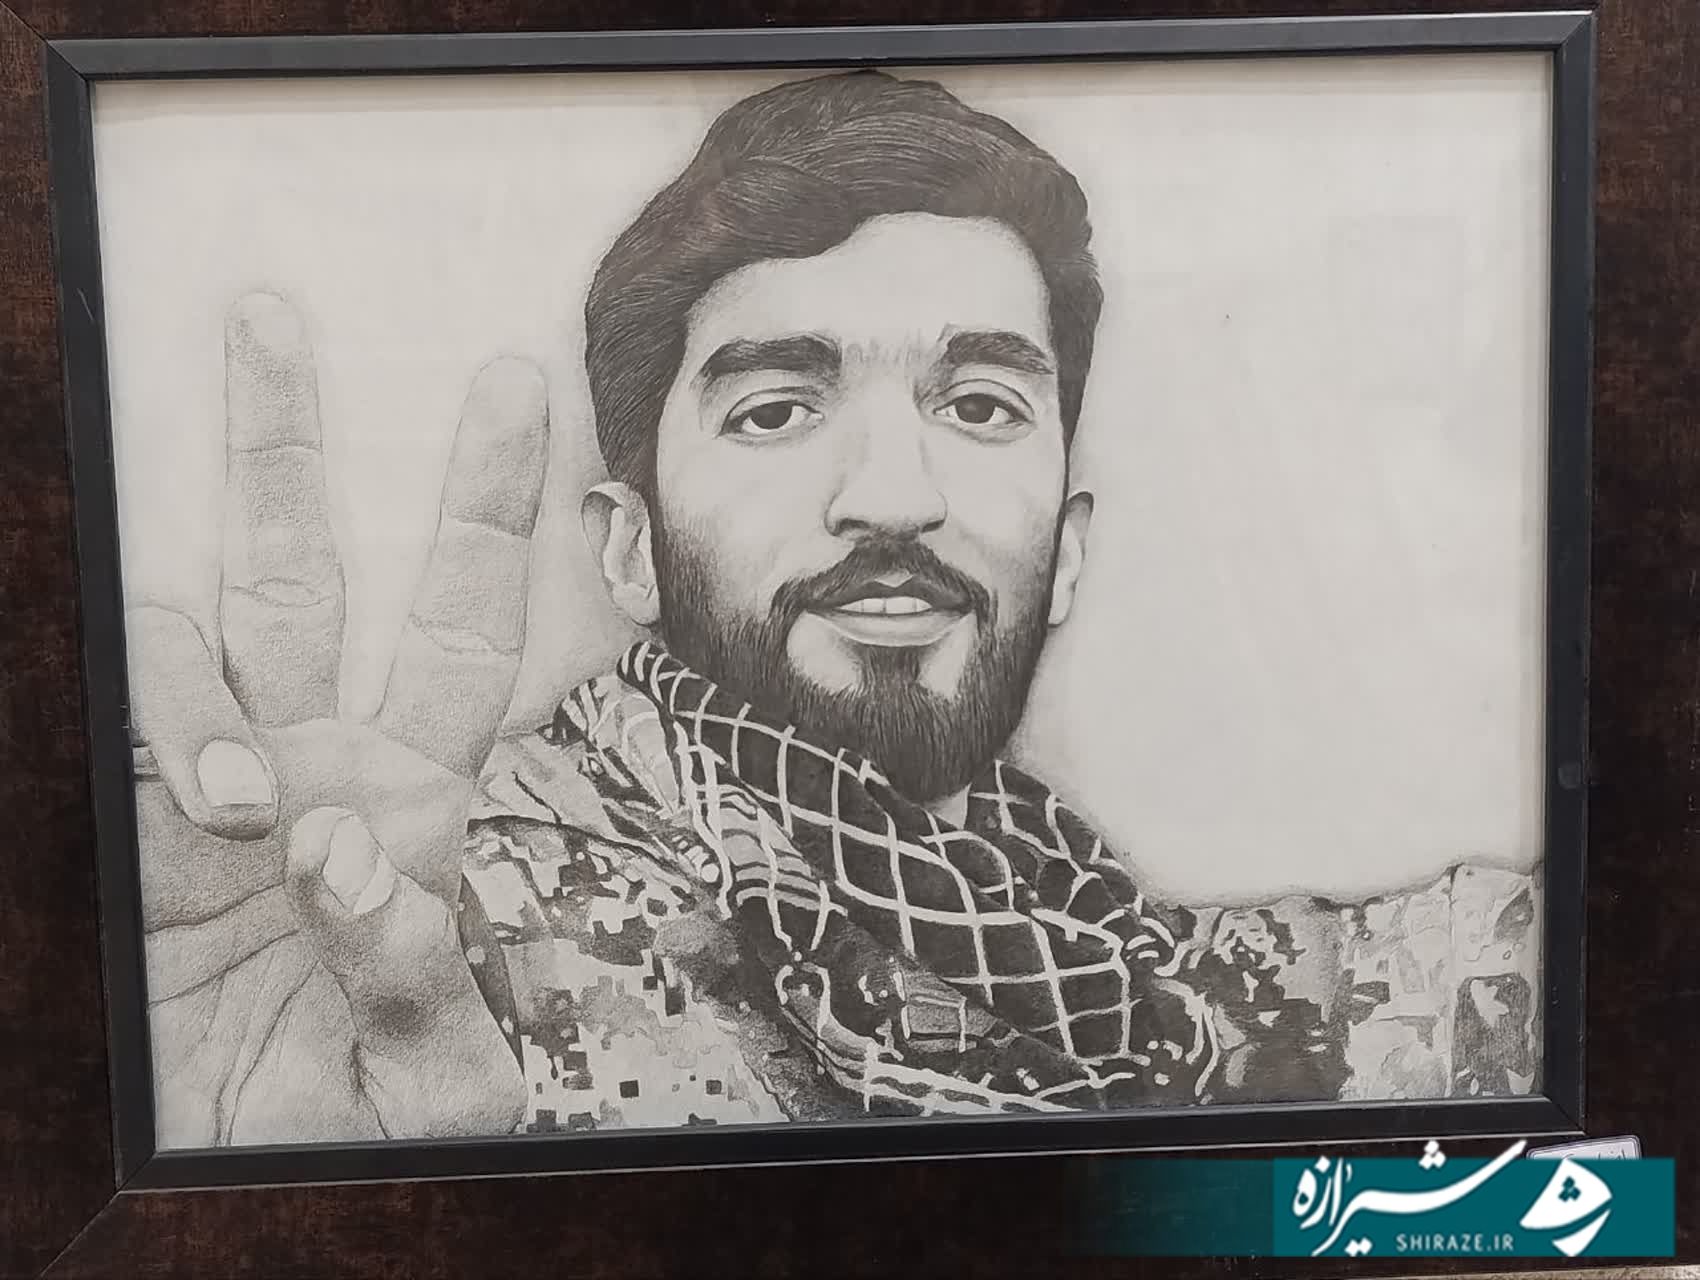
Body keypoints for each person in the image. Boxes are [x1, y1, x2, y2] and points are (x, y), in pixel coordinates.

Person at [133, 71, 1539, 1146]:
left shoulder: (1149, 973)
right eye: (776, 408)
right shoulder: (442, 928)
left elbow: (1590, 1150)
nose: (894, 497)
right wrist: (213, 1153)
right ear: (630, 553)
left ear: (1067, 551)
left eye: (979, 404)